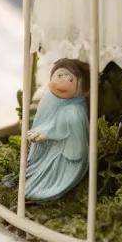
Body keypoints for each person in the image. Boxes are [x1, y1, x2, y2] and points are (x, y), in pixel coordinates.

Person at [22, 59, 90, 203]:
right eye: (60, 76)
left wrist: (46, 134)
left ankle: (44, 189)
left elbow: (64, 125)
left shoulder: (74, 109)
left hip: (64, 154)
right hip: (49, 148)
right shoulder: (49, 98)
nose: (63, 83)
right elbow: (45, 120)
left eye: (70, 79)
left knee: (50, 174)